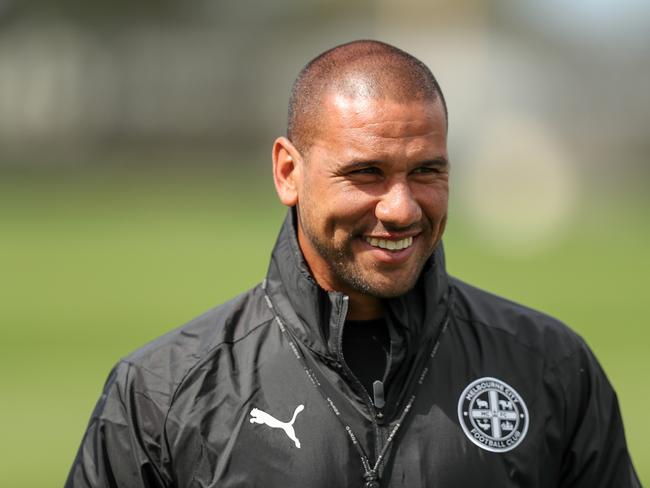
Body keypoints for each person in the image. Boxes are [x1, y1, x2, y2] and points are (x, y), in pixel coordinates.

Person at [66, 40, 641, 488]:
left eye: (427, 172)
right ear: (289, 173)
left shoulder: (550, 368)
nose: (401, 208)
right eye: (366, 173)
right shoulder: (163, 393)